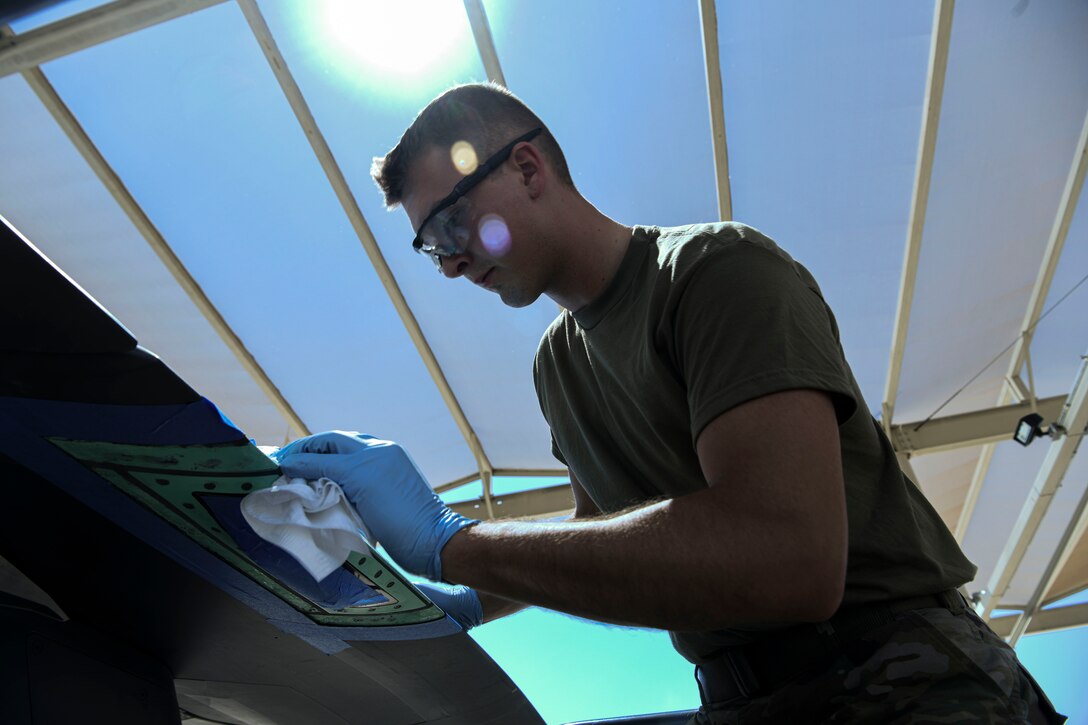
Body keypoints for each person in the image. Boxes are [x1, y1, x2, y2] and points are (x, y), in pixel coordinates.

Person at [274, 83, 1064, 723]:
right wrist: (466, 602)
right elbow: (597, 534)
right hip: (740, 697)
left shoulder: (715, 273)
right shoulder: (559, 368)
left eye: (451, 224)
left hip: (900, 677)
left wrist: (453, 541)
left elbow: (789, 556)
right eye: (430, 247)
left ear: (526, 168)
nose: (448, 264)